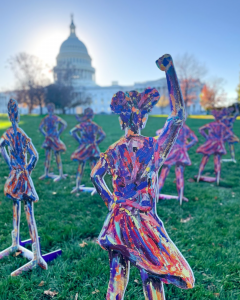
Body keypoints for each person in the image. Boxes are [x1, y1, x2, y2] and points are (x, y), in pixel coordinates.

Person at [91, 54, 194, 300]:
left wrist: (111, 201)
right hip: (143, 222)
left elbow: (95, 175)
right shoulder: (152, 148)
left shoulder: (113, 149)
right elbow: (178, 116)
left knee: (117, 278)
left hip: (117, 221)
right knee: (152, 275)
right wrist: (169, 71)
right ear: (144, 119)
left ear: (120, 120)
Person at [0, 99, 47, 276]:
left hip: (14, 174)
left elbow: (1, 148)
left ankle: (15, 242)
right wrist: (27, 169)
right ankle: (35, 253)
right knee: (29, 211)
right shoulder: (21, 133)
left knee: (15, 206)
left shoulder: (7, 134)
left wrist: (10, 164)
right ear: (18, 115)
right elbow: (34, 155)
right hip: (23, 175)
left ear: (8, 115)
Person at [157, 122, 198, 204]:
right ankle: (180, 198)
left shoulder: (171, 127)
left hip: (171, 152)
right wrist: (186, 147)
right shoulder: (186, 128)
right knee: (180, 175)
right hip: (181, 153)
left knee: (163, 175)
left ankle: (155, 196)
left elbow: (158, 133)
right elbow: (195, 140)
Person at [70, 108, 106, 193]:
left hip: (83, 148)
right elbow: (103, 135)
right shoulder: (95, 125)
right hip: (93, 148)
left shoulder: (82, 125)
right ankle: (96, 188)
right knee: (94, 168)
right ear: (92, 115)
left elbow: (72, 132)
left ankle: (77, 186)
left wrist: (79, 140)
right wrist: (97, 142)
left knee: (80, 166)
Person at [196, 114, 238, 185]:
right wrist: (223, 139)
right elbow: (230, 134)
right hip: (219, 144)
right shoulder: (223, 126)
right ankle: (217, 178)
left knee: (205, 158)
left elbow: (200, 129)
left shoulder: (211, 124)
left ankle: (199, 176)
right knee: (217, 161)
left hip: (210, 143)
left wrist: (206, 136)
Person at [39, 103, 67, 182]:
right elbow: (64, 124)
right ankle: (50, 173)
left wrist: (47, 134)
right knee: (51, 156)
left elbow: (40, 128)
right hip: (52, 138)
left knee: (52, 155)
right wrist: (58, 133)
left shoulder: (47, 118)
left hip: (52, 139)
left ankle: (58, 174)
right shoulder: (55, 118)